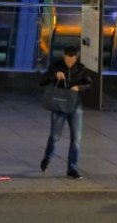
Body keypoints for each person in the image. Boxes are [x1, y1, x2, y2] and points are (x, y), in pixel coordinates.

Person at [40, 46, 93, 179]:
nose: (70, 63)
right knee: (55, 137)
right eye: (68, 60)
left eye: (72, 60)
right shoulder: (56, 66)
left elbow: (89, 84)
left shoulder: (80, 68)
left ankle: (72, 168)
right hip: (59, 105)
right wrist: (54, 75)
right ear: (64, 56)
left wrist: (79, 87)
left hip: (75, 106)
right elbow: (42, 81)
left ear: (76, 58)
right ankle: (47, 158)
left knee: (76, 139)